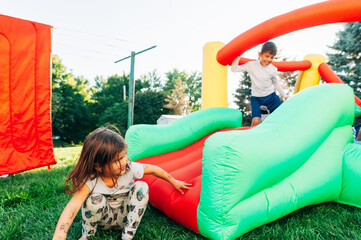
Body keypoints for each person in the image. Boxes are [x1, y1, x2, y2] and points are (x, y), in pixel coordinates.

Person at [52, 126, 191, 240]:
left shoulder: (129, 168)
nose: (124, 161)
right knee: (94, 200)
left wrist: (174, 181)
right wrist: (60, 235)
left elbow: (154, 170)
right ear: (99, 166)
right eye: (117, 160)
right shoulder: (91, 180)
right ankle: (87, 235)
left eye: (124, 155)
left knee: (141, 186)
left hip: (125, 216)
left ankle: (128, 235)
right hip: (104, 220)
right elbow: (72, 207)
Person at [231, 41, 289, 126]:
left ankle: (266, 114)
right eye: (267, 56)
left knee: (282, 115)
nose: (269, 59)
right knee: (255, 121)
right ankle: (261, 118)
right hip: (256, 98)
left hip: (271, 97)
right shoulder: (251, 65)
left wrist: (285, 95)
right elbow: (234, 69)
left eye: (272, 57)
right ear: (260, 54)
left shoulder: (273, 69)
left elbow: (276, 83)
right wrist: (238, 56)